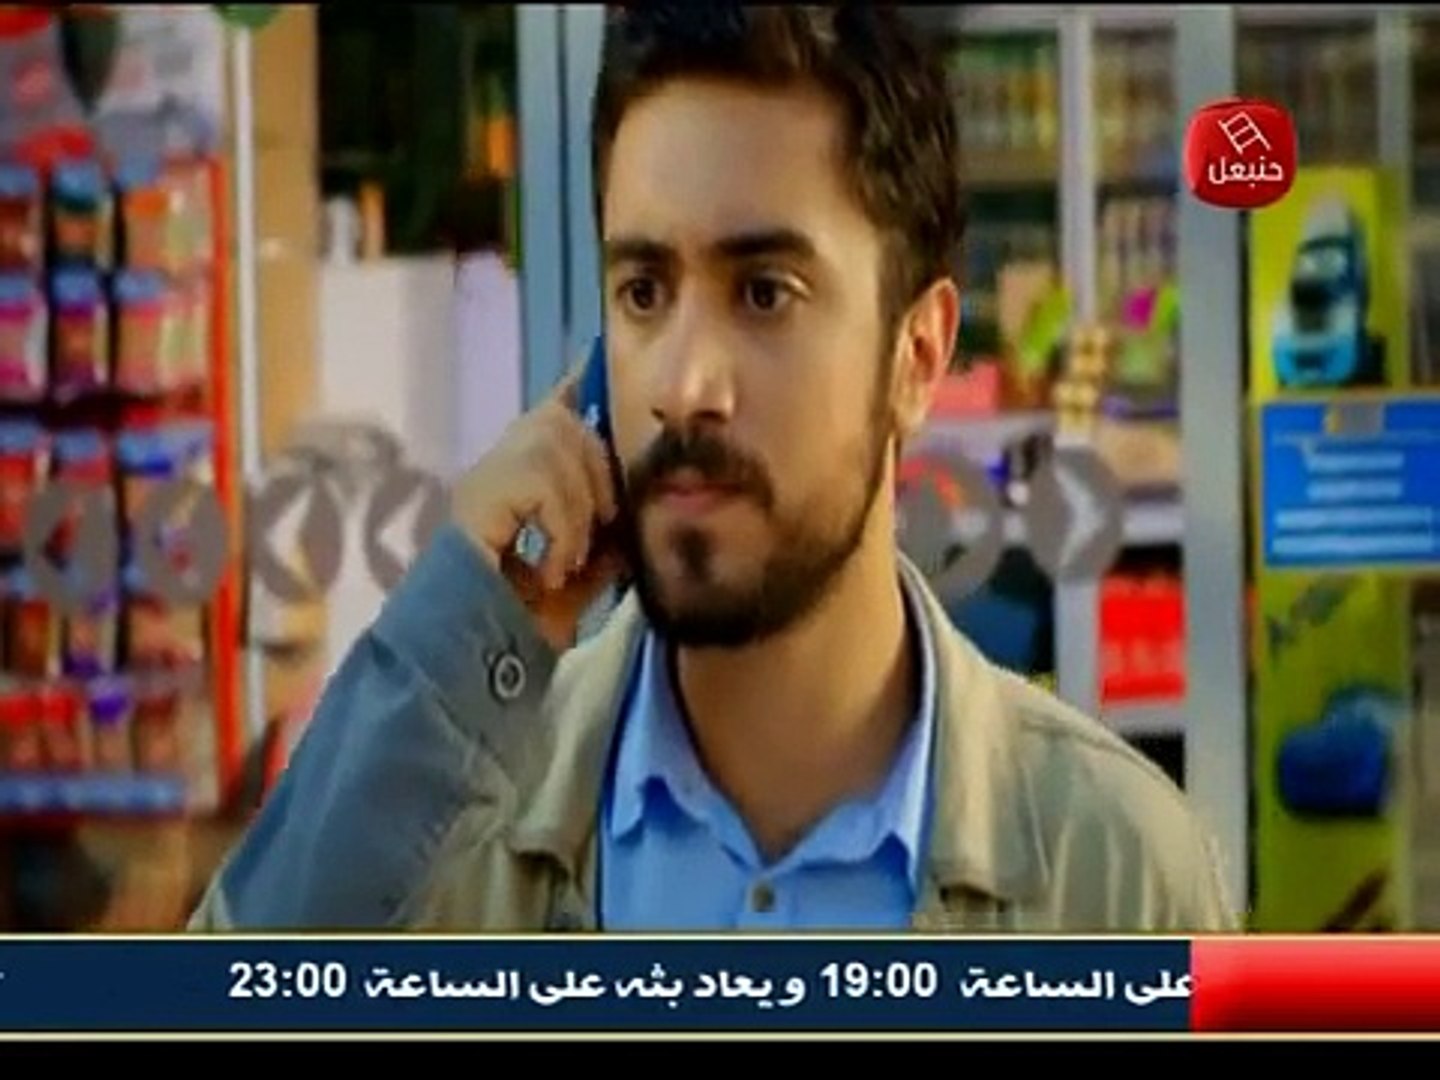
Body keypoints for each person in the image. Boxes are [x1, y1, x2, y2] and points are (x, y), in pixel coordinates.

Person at [189, 3, 1234, 933]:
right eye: (645, 292)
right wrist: (455, 641)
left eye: (765, 292)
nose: (685, 384)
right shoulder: (455, 823)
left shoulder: (1117, 876)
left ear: (917, 357)